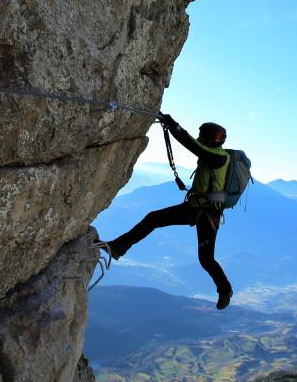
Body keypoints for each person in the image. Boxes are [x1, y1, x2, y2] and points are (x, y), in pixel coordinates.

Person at [98, 113, 234, 309]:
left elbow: (193, 146)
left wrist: (172, 125)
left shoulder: (219, 158)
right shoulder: (213, 155)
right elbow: (196, 147)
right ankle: (119, 247)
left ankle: (225, 290)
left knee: (205, 259)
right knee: (154, 218)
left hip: (207, 213)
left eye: (202, 136)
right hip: (195, 208)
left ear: (210, 138)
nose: (199, 139)